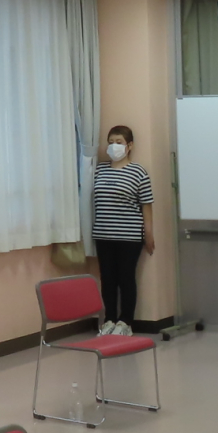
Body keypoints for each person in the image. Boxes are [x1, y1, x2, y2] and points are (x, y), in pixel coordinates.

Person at [90, 124, 154, 336]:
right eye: (110, 142)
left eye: (119, 142)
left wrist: (148, 234)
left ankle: (126, 322)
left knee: (126, 278)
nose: (114, 146)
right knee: (107, 279)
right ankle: (109, 319)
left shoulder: (138, 172)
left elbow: (146, 205)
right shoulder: (99, 170)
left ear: (130, 145)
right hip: (103, 234)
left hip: (129, 236)